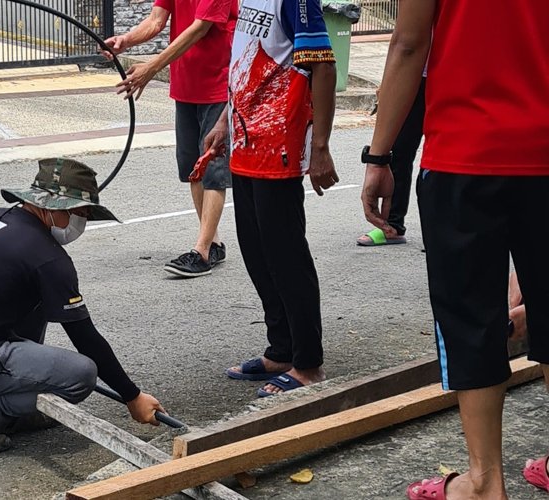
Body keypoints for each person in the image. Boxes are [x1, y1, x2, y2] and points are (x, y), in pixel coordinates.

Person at [360, 0, 549, 497]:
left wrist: (380, 155)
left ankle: (485, 481)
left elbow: (408, 43)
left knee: (469, 321)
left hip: (466, 157)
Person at [0, 158, 165, 455]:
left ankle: (12, 410)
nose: (81, 223)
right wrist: (132, 396)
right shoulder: (47, 258)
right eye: (79, 213)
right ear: (54, 207)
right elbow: (85, 338)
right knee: (80, 376)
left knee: (41, 298)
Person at [203, 0, 339, 397]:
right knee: (256, 251)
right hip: (246, 143)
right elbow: (242, 65)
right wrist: (224, 121)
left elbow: (324, 67)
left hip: (279, 142)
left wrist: (321, 147)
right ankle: (281, 349)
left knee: (285, 255)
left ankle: (308, 363)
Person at [102, 0, 237, 277]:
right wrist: (125, 41)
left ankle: (201, 251)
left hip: (217, 85)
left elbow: (200, 28)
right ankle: (213, 242)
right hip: (186, 86)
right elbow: (155, 21)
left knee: (213, 168)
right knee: (193, 169)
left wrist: (151, 67)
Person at [356, 73, 425, 246]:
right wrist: (388, 82)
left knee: (446, 157)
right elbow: (401, 49)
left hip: (451, 77)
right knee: (398, 149)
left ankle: (443, 232)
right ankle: (391, 225)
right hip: (415, 75)